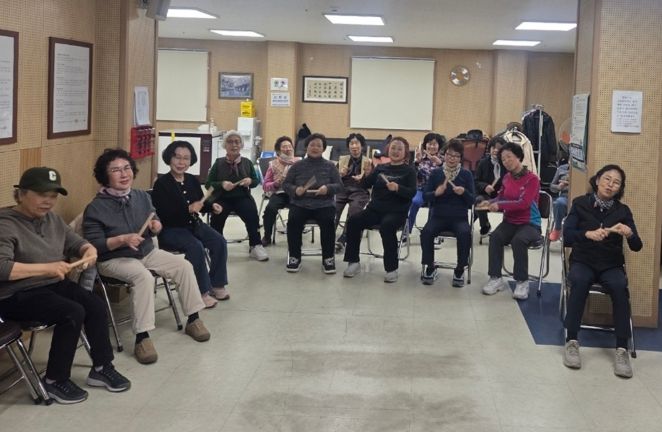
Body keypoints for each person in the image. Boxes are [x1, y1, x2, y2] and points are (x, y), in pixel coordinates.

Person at [0, 167, 130, 404]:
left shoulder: (52, 219)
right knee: (72, 312)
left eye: (53, 196)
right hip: (15, 295)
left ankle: (102, 367)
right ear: (21, 193)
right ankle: (54, 380)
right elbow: (2, 268)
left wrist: (88, 250)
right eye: (42, 195)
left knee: (95, 305)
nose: (48, 202)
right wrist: (47, 268)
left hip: (51, 285)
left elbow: (77, 243)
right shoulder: (5, 223)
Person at [83, 149, 210, 365]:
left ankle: (193, 318)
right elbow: (94, 245)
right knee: (143, 277)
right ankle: (142, 338)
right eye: (116, 170)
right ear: (105, 176)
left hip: (147, 252)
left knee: (183, 266)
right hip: (114, 259)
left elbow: (154, 217)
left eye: (127, 168)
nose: (124, 174)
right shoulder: (96, 207)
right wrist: (121, 239)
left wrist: (156, 225)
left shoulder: (141, 196)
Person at [562, 164, 641, 378]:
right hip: (583, 260)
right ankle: (572, 340)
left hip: (610, 265)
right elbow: (567, 235)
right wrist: (587, 234)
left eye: (616, 183)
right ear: (597, 180)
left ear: (620, 188)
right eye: (607, 179)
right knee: (579, 282)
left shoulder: (623, 211)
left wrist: (630, 234)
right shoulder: (580, 203)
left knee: (619, 287)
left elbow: (637, 246)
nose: (610, 185)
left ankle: (622, 348)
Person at [151, 141, 230, 308]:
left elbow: (200, 203)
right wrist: (187, 209)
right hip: (171, 229)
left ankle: (217, 284)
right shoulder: (161, 183)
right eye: (177, 157)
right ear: (169, 158)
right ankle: (200, 292)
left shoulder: (192, 180)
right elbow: (163, 214)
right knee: (196, 247)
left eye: (186, 158)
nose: (181, 162)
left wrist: (211, 206)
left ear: (191, 160)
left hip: (193, 224)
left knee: (219, 241)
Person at [343, 137, 416, 283]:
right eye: (393, 148)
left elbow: (412, 193)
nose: (395, 151)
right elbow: (365, 185)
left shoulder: (409, 171)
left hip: (397, 212)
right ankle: (353, 262)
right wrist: (367, 174)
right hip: (375, 210)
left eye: (399, 149)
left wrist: (398, 188)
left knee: (387, 226)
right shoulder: (381, 168)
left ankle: (391, 269)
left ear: (405, 152)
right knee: (353, 221)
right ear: (388, 150)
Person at [479, 142, 541, 300]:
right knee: (495, 237)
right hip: (510, 222)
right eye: (503, 159)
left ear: (519, 157)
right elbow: (501, 197)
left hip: (529, 223)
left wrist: (499, 205)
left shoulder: (532, 179)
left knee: (518, 240)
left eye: (509, 157)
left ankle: (522, 281)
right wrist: (490, 202)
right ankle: (495, 278)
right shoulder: (506, 177)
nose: (506, 161)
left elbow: (524, 203)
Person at [282, 133, 343, 273]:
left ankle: (328, 258)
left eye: (318, 145)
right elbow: (286, 184)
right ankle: (294, 257)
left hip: (324, 204)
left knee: (328, 222)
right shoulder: (297, 166)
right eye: (312, 145)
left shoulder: (330, 166)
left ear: (323, 149)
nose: (315, 148)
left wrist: (327, 188)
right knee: (293, 221)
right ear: (306, 147)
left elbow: (340, 186)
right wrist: (295, 190)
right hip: (301, 203)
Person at [205, 131, 268, 261]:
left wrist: (250, 181)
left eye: (237, 142)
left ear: (241, 145)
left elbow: (256, 181)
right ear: (225, 145)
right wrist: (222, 184)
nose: (234, 145)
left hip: (242, 197)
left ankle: (255, 245)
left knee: (252, 215)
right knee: (217, 216)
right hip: (222, 198)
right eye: (230, 142)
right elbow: (208, 184)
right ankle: (216, 245)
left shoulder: (247, 162)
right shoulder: (218, 163)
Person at [420, 139, 475, 287]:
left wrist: (464, 192)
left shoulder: (466, 175)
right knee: (426, 232)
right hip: (438, 216)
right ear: (444, 155)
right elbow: (425, 196)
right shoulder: (436, 173)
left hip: (459, 217)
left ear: (460, 158)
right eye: (449, 155)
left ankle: (460, 269)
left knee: (465, 234)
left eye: (456, 156)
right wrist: (435, 193)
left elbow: (472, 200)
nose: (452, 158)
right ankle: (430, 266)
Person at [334, 133, 371, 252]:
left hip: (360, 190)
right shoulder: (342, 160)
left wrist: (365, 177)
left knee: (354, 210)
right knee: (333, 208)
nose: (354, 146)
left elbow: (372, 182)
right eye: (351, 143)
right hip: (342, 189)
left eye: (357, 143)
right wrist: (340, 174)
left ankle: (344, 238)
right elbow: (333, 179)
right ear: (348, 146)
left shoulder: (368, 161)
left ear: (362, 146)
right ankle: (329, 236)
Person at [261, 136, 300, 246]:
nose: (288, 149)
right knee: (270, 209)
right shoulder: (273, 164)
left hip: (296, 193)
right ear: (278, 150)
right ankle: (267, 236)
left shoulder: (300, 162)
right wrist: (275, 183)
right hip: (280, 193)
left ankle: (295, 237)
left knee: (299, 210)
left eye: (289, 146)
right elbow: (265, 185)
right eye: (284, 147)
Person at [407, 133, 445, 235]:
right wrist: (416, 162)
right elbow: (410, 175)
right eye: (429, 143)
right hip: (421, 189)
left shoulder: (443, 159)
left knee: (435, 206)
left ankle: (430, 232)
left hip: (437, 191)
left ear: (439, 146)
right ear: (425, 145)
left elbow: (449, 176)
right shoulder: (419, 158)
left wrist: (440, 164)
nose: (432, 146)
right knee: (414, 202)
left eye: (434, 144)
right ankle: (407, 231)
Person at [474, 136, 506, 235]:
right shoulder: (483, 163)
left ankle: (507, 229)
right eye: (493, 148)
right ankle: (485, 225)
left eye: (498, 148)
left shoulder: (506, 163)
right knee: (478, 200)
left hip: (503, 196)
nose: (495, 150)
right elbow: (476, 181)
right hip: (487, 195)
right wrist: (485, 186)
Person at [548, 161, 570, 241]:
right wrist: (559, 187)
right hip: (565, 196)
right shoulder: (561, 168)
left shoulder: (584, 169)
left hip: (579, 196)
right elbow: (551, 186)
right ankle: (557, 229)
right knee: (559, 203)